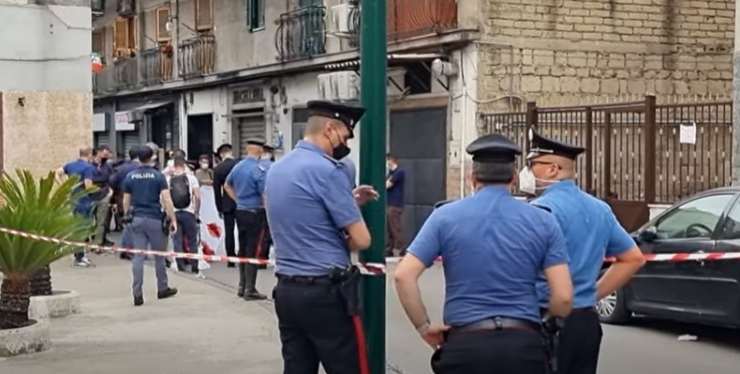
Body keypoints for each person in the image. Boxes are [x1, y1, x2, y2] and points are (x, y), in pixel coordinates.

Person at [395, 134, 574, 374]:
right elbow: (563, 297)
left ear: (472, 178)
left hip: (465, 344)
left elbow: (403, 276)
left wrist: (424, 327)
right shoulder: (543, 221)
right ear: (513, 179)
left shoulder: (445, 217)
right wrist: (544, 324)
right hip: (523, 346)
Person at [265, 100, 378, 374]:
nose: (345, 143)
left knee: (297, 367)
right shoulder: (328, 171)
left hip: (287, 291)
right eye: (345, 135)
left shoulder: (276, 169)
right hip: (325, 293)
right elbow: (362, 241)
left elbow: (303, 212)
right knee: (348, 367)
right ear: (329, 129)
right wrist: (350, 217)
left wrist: (348, 202)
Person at [521, 129, 646, 374]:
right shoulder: (599, 209)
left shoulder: (539, 211)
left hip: (544, 318)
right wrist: (592, 293)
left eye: (533, 164)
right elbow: (633, 258)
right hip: (585, 322)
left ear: (552, 170)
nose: (527, 172)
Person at [122, 145, 179, 306]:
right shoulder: (158, 176)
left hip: (137, 219)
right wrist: (172, 218)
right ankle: (162, 288)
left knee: (138, 257)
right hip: (154, 218)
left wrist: (127, 215)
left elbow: (126, 199)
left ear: (138, 158)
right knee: (159, 255)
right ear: (152, 157)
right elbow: (166, 199)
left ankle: (137, 293)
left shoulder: (130, 176)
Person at [224, 138, 269, 300]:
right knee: (253, 250)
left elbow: (227, 185)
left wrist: (237, 200)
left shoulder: (238, 167)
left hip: (240, 212)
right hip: (255, 213)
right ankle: (250, 288)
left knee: (242, 249)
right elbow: (265, 194)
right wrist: (268, 212)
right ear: (259, 151)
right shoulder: (258, 170)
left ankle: (242, 286)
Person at [59, 147, 96, 267]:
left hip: (74, 200)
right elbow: (88, 186)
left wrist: (63, 186)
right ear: (89, 155)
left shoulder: (70, 165)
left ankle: (79, 254)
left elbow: (57, 172)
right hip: (84, 201)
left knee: (77, 227)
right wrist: (98, 193)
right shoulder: (88, 168)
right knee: (83, 228)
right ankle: (79, 257)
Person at [169, 157, 202, 274]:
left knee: (177, 240)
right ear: (184, 166)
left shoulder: (169, 179)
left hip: (175, 213)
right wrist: (196, 211)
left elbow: (165, 199)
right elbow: (197, 196)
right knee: (192, 240)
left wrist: (169, 214)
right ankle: (194, 266)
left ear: (174, 166)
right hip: (189, 213)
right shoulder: (192, 178)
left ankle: (180, 266)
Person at [110, 146, 142, 260]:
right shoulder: (143, 168)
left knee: (127, 225)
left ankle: (125, 249)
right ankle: (131, 250)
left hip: (122, 199)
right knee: (136, 227)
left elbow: (112, 182)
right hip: (138, 200)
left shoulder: (121, 168)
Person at [213, 144, 238, 268]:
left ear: (221, 154)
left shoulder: (218, 169)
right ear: (231, 152)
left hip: (227, 203)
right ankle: (244, 255)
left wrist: (219, 207)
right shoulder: (239, 164)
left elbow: (217, 191)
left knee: (229, 231)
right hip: (241, 202)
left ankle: (231, 258)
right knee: (243, 231)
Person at [91, 145, 115, 247]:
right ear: (98, 152)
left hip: (103, 195)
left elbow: (111, 179)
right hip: (89, 195)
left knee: (101, 221)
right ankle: (86, 242)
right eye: (105, 154)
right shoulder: (89, 165)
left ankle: (98, 243)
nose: (106, 156)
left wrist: (110, 192)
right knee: (87, 221)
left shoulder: (107, 166)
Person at [385, 153, 406, 257]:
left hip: (395, 204)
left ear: (392, 160)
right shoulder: (391, 173)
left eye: (388, 160)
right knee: (390, 228)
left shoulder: (399, 172)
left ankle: (401, 248)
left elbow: (387, 185)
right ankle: (390, 248)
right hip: (390, 203)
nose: (387, 163)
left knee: (395, 227)